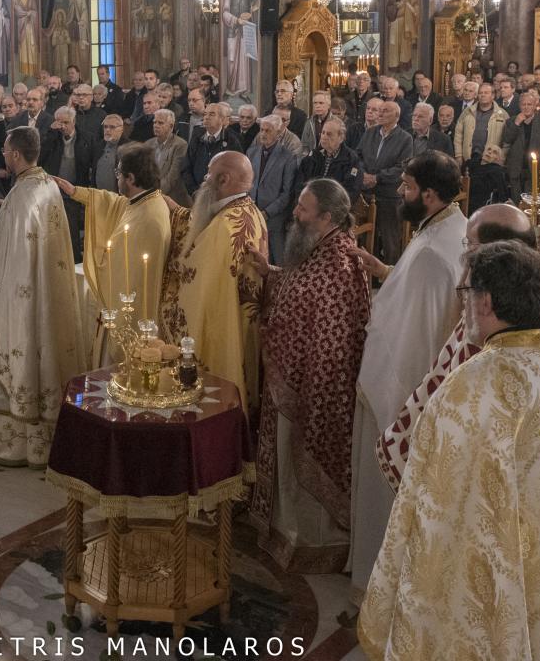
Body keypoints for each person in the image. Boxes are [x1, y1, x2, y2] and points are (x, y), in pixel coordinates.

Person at [357, 241, 540, 659]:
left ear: (486, 302)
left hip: (499, 577)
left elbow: (432, 503)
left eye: (466, 293)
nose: (463, 306)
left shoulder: (470, 388)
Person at [376, 204, 540, 490]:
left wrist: (397, 441)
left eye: (470, 244)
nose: (466, 254)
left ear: (494, 251)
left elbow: (447, 389)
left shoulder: (490, 313)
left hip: (490, 473)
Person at [349, 151, 467, 599]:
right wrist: (385, 272)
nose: (401, 192)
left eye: (408, 187)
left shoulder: (433, 253)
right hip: (419, 385)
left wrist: (386, 382)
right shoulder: (448, 227)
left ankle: (379, 586)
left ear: (429, 195)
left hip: (399, 393)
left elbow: (415, 337)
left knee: (386, 494)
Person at [246, 179, 372, 572]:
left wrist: (313, 389)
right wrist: (270, 272)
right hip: (290, 374)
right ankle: (282, 533)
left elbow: (334, 339)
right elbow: (300, 286)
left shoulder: (341, 263)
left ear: (326, 217)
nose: (296, 213)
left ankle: (310, 545)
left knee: (300, 457)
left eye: (303, 208)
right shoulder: (318, 246)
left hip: (314, 386)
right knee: (283, 458)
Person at [0, 127, 85, 467]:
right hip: (49, 293)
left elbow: (11, 259)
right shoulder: (47, 185)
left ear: (16, 154)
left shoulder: (22, 195)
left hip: (26, 300)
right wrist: (7, 210)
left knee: (26, 354)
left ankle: (23, 446)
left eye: (5, 150)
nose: (3, 155)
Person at [58, 143, 178, 348]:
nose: (117, 178)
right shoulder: (144, 200)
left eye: (118, 173)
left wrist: (102, 259)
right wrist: (75, 192)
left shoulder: (149, 217)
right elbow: (113, 202)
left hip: (135, 311)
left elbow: (127, 269)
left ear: (130, 178)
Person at [175, 150, 269, 409]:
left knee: (214, 394)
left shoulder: (223, 228)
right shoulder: (252, 211)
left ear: (224, 179)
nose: (205, 178)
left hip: (221, 328)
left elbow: (194, 280)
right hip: (243, 325)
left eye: (209, 173)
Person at [356, 99, 414, 263]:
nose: (380, 113)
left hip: (389, 195)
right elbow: (358, 156)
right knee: (367, 238)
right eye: (380, 110)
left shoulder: (405, 138)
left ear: (397, 116)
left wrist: (377, 177)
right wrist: (364, 174)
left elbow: (402, 167)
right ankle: (369, 272)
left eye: (386, 111)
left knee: (390, 240)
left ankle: (390, 273)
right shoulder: (370, 132)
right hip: (367, 193)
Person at [250, 115, 301, 261]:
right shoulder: (252, 152)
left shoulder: (287, 157)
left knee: (278, 260)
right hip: (253, 214)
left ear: (278, 133)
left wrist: (267, 213)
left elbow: (287, 193)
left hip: (274, 217)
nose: (263, 134)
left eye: (268, 131)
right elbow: (247, 184)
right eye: (261, 130)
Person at [453, 82, 508, 208]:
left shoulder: (502, 114)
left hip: (490, 161)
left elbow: (507, 141)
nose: (482, 95)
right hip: (469, 159)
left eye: (486, 93)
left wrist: (501, 158)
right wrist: (459, 155)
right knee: (469, 192)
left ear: (493, 95)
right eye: (480, 93)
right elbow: (458, 134)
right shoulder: (467, 112)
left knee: (485, 194)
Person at [501, 90, 540, 197]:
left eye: (529, 104)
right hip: (516, 167)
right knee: (516, 199)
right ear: (520, 106)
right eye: (523, 104)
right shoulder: (511, 121)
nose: (526, 107)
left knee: (532, 199)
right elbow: (507, 139)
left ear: (535, 105)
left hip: (535, 167)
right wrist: (516, 123)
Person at [300, 115, 364, 202]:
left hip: (333, 206)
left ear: (341, 138)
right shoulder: (314, 155)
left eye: (329, 134)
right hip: (310, 202)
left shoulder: (351, 160)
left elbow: (350, 192)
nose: (324, 137)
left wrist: (326, 205)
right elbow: (301, 182)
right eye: (323, 132)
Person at [147, 107, 192, 206]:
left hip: (173, 199)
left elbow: (172, 177)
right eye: (154, 122)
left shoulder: (180, 145)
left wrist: (153, 195)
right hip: (150, 197)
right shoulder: (148, 144)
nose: (156, 125)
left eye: (160, 123)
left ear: (171, 126)